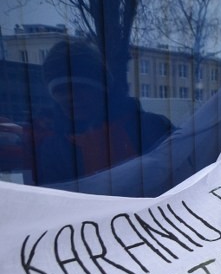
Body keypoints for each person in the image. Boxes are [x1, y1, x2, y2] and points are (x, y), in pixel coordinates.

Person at [32, 39, 173, 185]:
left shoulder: (152, 129)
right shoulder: (54, 149)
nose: (70, 97)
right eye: (60, 90)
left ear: (102, 88)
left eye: (80, 87)